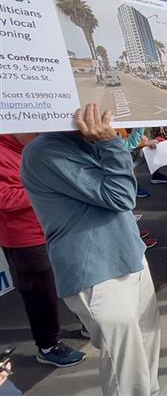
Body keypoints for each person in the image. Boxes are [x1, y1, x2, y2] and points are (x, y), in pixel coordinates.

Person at [21, 104, 161, 395]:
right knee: (127, 366)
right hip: (96, 269)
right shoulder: (44, 151)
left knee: (147, 343)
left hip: (129, 255)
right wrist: (110, 142)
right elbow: (121, 195)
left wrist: (112, 142)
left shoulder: (85, 139)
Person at [0, 133, 86, 368]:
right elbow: (4, 198)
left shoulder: (39, 145)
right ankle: (48, 346)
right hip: (25, 238)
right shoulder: (5, 150)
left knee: (74, 279)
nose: (40, 133)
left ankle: (86, 323)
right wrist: (47, 187)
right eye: (35, 130)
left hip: (56, 228)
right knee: (40, 294)